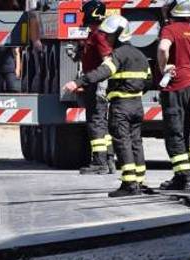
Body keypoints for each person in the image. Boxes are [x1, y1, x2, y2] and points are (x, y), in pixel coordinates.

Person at [62, 15, 150, 197]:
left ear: (118, 35)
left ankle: (129, 184)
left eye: (109, 35)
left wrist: (78, 82)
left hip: (121, 106)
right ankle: (140, 181)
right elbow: (149, 81)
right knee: (136, 143)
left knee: (123, 144)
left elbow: (103, 71)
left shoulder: (118, 55)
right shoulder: (140, 55)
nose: (107, 38)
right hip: (137, 105)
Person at [157, 0, 190, 190]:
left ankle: (182, 178)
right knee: (189, 130)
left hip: (175, 86)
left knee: (174, 131)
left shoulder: (170, 29)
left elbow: (163, 48)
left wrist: (163, 67)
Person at [76, 0, 113, 175]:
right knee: (101, 123)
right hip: (93, 83)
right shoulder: (94, 35)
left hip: (97, 85)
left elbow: (107, 62)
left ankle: (100, 162)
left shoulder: (99, 35)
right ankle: (109, 159)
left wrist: (102, 86)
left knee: (96, 122)